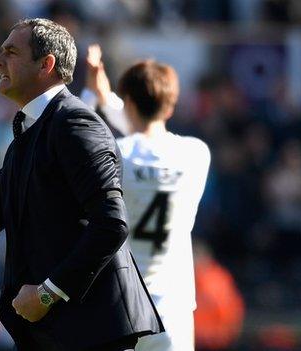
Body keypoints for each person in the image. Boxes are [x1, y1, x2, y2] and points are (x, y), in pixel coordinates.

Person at [0, 18, 163, 351]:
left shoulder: (75, 123)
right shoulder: (29, 134)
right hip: (56, 333)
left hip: (92, 332)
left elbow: (112, 223)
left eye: (11, 52)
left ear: (47, 64)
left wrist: (48, 292)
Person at [81, 45, 211, 351]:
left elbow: (81, 137)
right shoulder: (195, 154)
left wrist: (96, 98)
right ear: (171, 106)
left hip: (121, 308)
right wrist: (112, 101)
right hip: (173, 312)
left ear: (128, 102)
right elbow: (145, 131)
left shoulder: (118, 155)